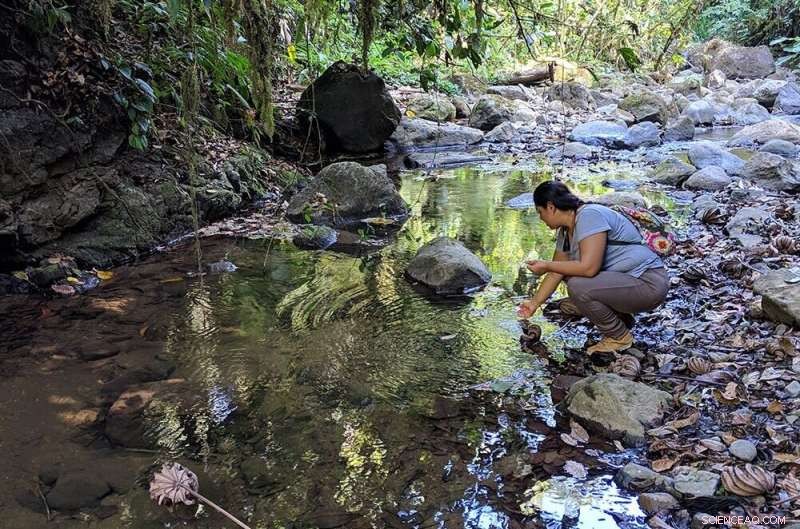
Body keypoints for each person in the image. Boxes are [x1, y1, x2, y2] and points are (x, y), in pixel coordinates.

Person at [516, 180, 669, 354]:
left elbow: (589, 268)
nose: (540, 218)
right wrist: (534, 303)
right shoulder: (565, 232)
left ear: (551, 207)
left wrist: (546, 265)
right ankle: (621, 319)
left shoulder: (589, 216)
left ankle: (619, 337)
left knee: (578, 285)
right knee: (568, 273)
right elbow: (555, 272)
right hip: (628, 283)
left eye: (540, 212)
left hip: (648, 283)